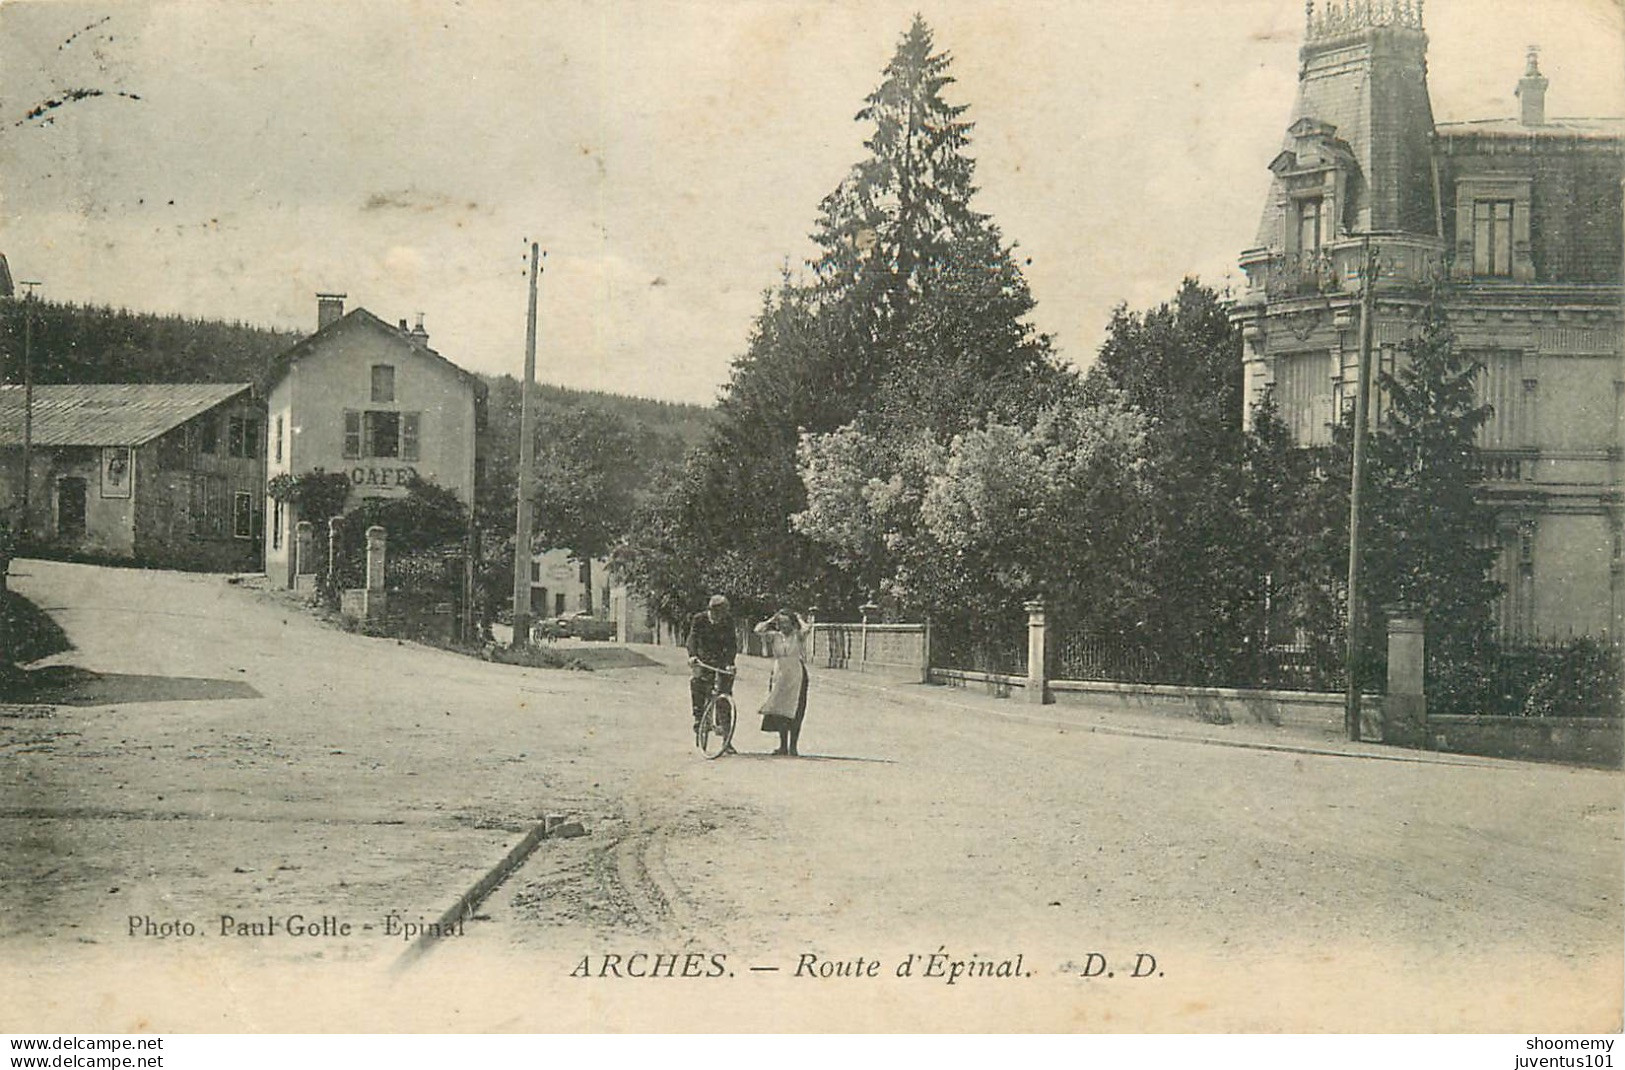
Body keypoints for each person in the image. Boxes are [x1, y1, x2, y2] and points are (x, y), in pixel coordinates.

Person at [755, 609, 809, 756]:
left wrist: (799, 618)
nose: (783, 626)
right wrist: (772, 619)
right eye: (781, 623)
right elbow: (758, 629)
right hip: (779, 673)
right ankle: (783, 745)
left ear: (792, 624)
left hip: (796, 675)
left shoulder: (798, 636)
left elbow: (807, 628)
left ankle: (793, 747)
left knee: (796, 710)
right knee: (779, 710)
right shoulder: (775, 637)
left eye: (787, 622)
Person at [686, 594, 737, 741]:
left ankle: (726, 738)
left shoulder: (728, 622)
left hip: (721, 661)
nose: (720, 617)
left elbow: (732, 644)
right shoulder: (699, 619)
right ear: (711, 610)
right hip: (703, 660)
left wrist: (730, 663)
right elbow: (692, 639)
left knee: (725, 695)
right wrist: (692, 656)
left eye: (723, 614)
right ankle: (698, 717)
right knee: (697, 683)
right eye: (718, 613)